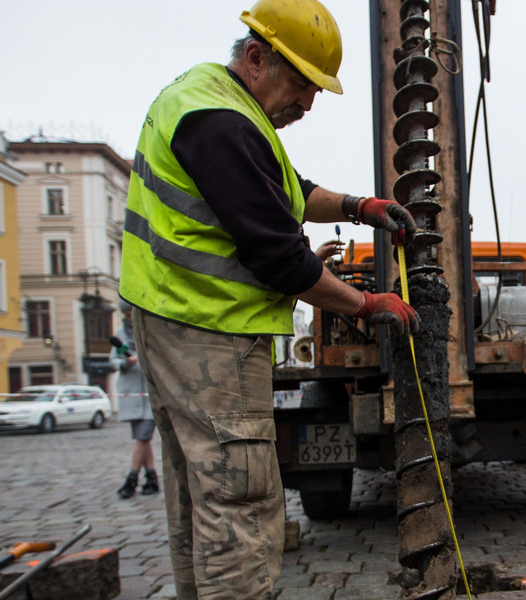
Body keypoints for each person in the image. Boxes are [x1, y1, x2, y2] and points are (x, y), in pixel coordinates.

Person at [118, 2, 420, 598]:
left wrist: (360, 207)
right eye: (303, 86)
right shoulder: (222, 124)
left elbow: (290, 191)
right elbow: (282, 260)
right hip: (209, 338)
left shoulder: (215, 102)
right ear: (256, 57)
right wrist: (365, 306)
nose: (308, 105)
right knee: (241, 506)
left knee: (199, 502)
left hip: (176, 326)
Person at [112, 299, 159, 499]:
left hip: (150, 393)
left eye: (133, 313)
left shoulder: (150, 330)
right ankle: (152, 478)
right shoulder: (120, 335)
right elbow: (113, 360)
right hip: (131, 393)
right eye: (128, 315)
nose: (131, 318)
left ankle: (131, 480)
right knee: (143, 439)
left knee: (142, 437)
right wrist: (126, 362)